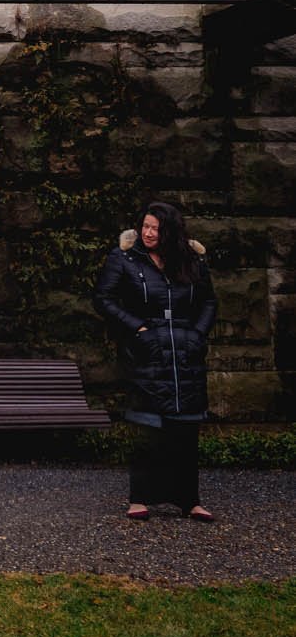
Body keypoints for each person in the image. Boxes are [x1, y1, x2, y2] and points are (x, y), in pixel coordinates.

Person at [94, 200, 218, 522]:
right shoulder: (124, 259)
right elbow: (103, 299)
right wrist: (139, 328)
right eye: (145, 226)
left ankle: (190, 500)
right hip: (148, 352)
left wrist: (197, 335)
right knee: (146, 427)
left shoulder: (191, 261)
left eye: (155, 228)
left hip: (184, 354)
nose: (148, 233)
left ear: (171, 232)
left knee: (186, 431)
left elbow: (208, 301)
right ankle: (139, 498)